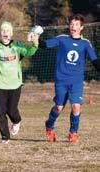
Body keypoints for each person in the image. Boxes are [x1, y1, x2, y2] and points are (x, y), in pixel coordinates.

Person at [40, 14, 100, 144]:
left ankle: (73, 133)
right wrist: (36, 40)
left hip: (76, 81)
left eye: (76, 24)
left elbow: (95, 60)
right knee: (59, 107)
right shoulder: (62, 39)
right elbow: (45, 45)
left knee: (76, 107)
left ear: (81, 28)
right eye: (72, 24)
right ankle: (49, 126)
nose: (73, 26)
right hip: (61, 80)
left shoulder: (85, 43)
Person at [0, 21, 39, 144]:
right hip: (0, 85)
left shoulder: (17, 46)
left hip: (15, 84)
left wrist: (35, 43)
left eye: (7, 31)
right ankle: (5, 136)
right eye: (3, 31)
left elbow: (29, 52)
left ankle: (17, 121)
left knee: (12, 110)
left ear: (11, 34)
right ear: (0, 33)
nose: (5, 33)